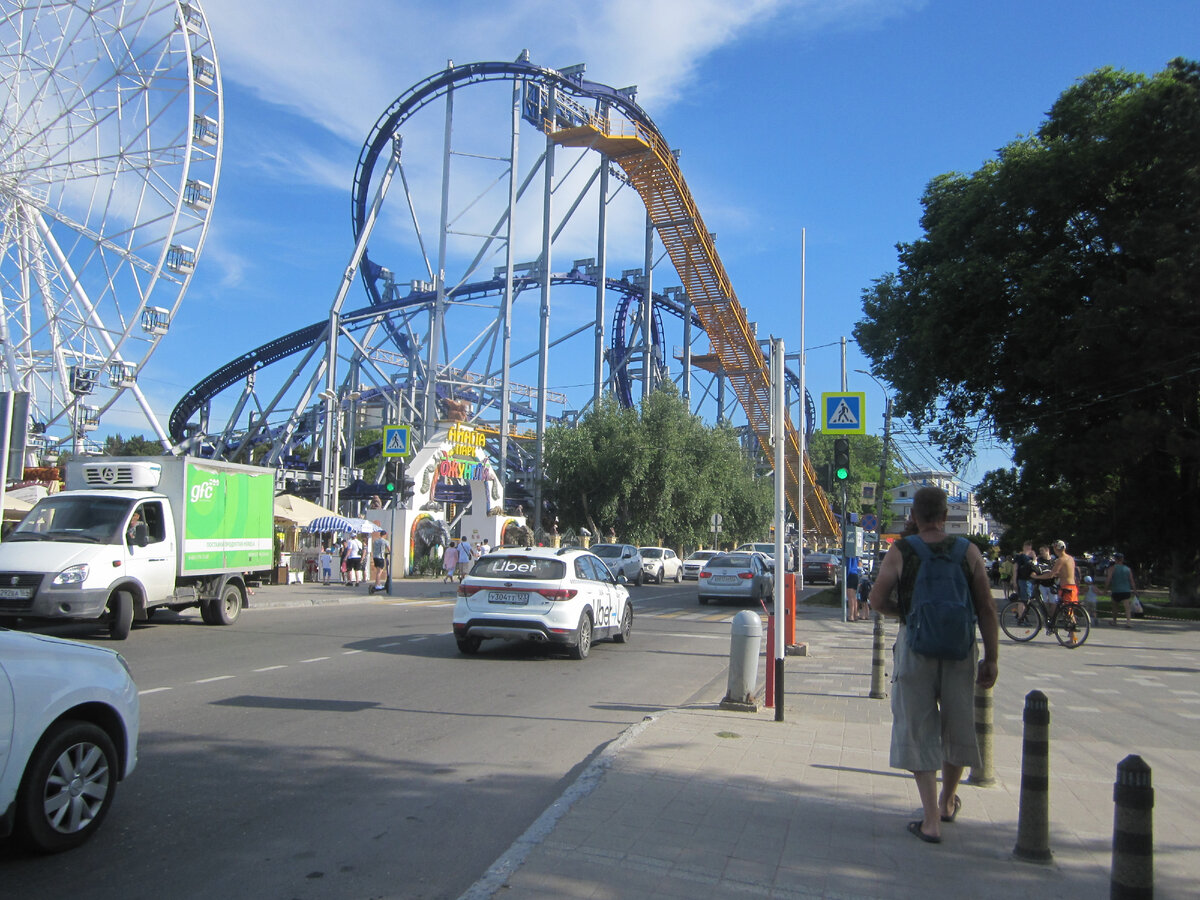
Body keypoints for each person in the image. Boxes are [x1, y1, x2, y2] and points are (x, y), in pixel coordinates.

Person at [868, 486, 998, 844]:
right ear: (945, 516)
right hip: (960, 649)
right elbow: (987, 607)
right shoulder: (968, 551)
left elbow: (876, 600)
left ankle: (929, 821)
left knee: (917, 727)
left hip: (916, 648)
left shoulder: (902, 551)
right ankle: (947, 802)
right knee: (957, 725)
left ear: (913, 515)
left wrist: (906, 614)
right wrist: (991, 657)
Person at [1033, 539, 1077, 624]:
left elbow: (1051, 574)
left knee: (1068, 611)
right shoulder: (1070, 558)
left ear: (1056, 549)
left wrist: (1037, 577)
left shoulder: (1061, 560)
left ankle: (1072, 628)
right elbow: (1066, 572)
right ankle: (1071, 628)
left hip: (1066, 587)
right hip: (1073, 586)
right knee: (1069, 609)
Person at [1105, 551, 1137, 627]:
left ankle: (1114, 621)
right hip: (1126, 590)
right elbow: (1132, 581)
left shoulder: (1112, 568)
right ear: (1122, 559)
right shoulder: (1127, 569)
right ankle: (1128, 622)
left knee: (1115, 607)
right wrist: (1135, 590)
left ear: (1115, 559)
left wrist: (1105, 589)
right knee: (1127, 607)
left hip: (1116, 590)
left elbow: (1108, 579)